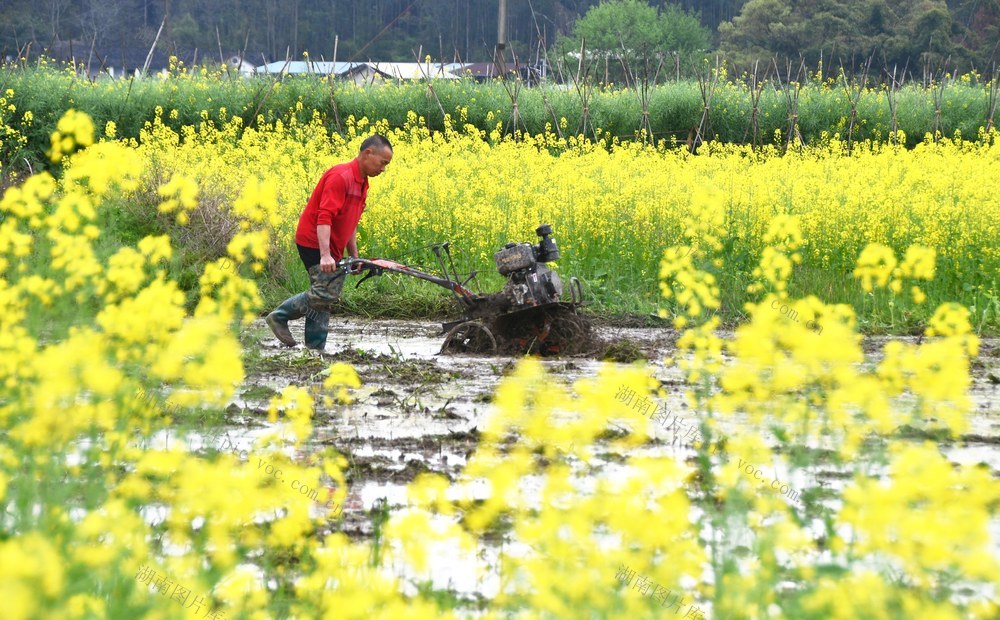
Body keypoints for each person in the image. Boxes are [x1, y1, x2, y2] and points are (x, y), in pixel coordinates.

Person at [266, 134, 393, 350]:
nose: (383, 169)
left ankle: (315, 349)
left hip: (330, 244)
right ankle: (279, 316)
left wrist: (354, 256)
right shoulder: (341, 177)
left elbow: (350, 222)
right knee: (325, 292)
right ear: (368, 153)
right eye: (382, 163)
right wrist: (325, 254)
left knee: (324, 297)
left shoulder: (363, 184)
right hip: (314, 241)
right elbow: (324, 216)